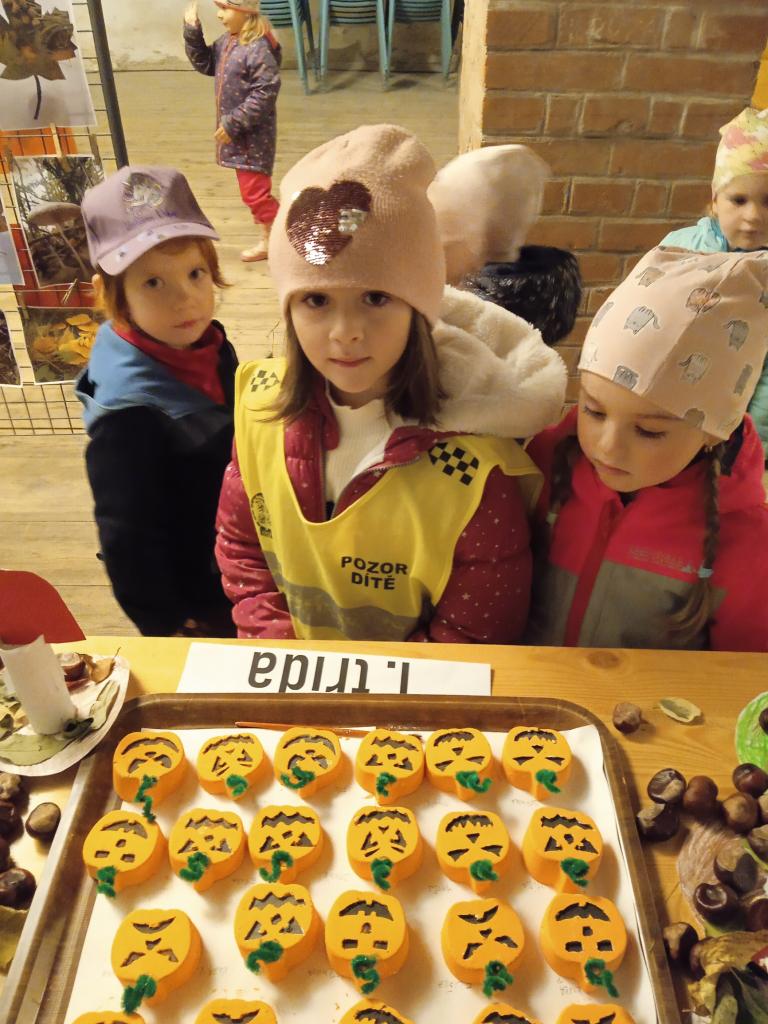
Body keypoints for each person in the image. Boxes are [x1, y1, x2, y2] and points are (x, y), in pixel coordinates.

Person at [215, 124, 567, 642]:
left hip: (416, 694)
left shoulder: (473, 473)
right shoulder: (259, 414)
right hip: (293, 683)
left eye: (375, 298)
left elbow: (473, 632)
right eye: (316, 300)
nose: (346, 332)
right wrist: (280, 648)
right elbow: (243, 549)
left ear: (419, 308)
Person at [526, 246, 768, 653]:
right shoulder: (542, 463)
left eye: (649, 431)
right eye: (593, 411)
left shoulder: (746, 541)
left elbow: (741, 674)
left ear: (715, 432)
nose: (607, 447)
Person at [75, 165, 238, 637]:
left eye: (195, 273)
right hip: (201, 596)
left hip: (239, 552)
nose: (185, 299)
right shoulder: (128, 417)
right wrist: (165, 624)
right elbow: (126, 535)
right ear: (114, 294)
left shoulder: (202, 342)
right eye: (153, 283)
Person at [661, 107, 768, 459]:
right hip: (669, 411)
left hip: (740, 428)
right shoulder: (680, 250)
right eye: (739, 200)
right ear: (714, 202)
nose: (753, 215)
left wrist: (753, 440)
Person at [429, 144, 582, 346]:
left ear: (476, 240)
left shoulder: (472, 321)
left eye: (444, 233)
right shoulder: (538, 295)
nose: (434, 246)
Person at [184, 0, 281, 263]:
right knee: (253, 192)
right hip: (241, 136)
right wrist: (193, 32)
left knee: (255, 194)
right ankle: (274, 236)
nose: (219, 14)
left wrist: (233, 123)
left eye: (225, 8)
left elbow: (265, 92)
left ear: (246, 12)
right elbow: (206, 64)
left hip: (253, 138)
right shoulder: (228, 41)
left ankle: (279, 237)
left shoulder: (257, 48)